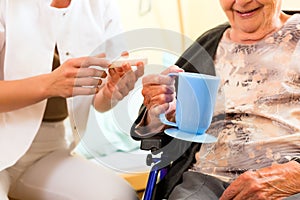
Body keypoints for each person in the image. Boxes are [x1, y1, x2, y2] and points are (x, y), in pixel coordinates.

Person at [131, 0, 300, 199]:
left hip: (287, 181)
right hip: (205, 180)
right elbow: (153, 132)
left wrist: (293, 176)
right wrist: (158, 113)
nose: (242, 2)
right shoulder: (208, 44)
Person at [0, 0, 144, 199]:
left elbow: (100, 99)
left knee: (121, 196)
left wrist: (111, 93)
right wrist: (50, 84)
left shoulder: (101, 6)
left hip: (49, 150)